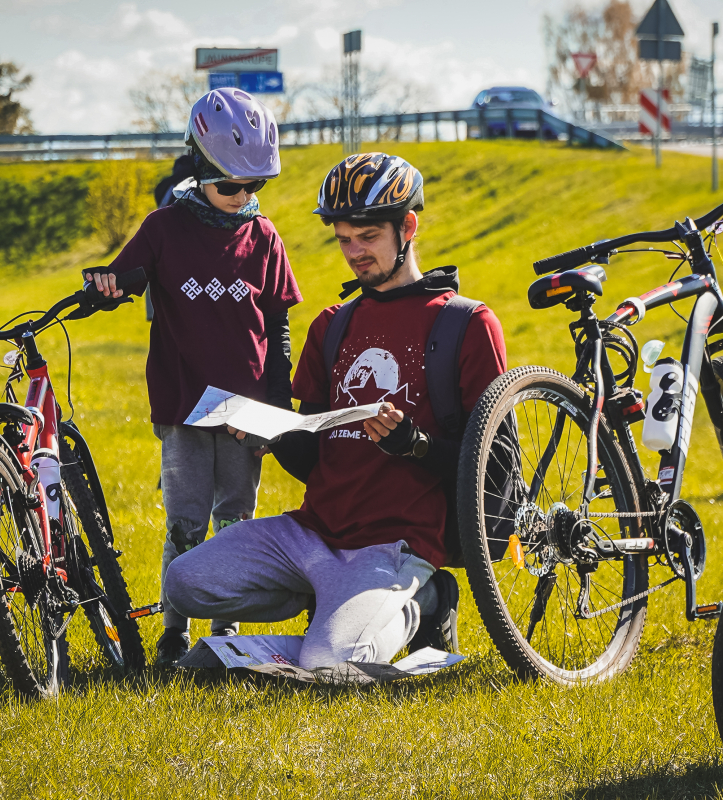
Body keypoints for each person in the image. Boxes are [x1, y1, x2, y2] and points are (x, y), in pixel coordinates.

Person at [163, 152, 508, 670]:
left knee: (335, 661)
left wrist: (412, 444)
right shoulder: (332, 325)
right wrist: (269, 432)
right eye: (343, 239)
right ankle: (334, 612)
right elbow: (316, 458)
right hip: (311, 534)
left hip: (393, 546)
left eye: (367, 238)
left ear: (407, 226)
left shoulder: (467, 324)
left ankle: (428, 598)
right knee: (185, 582)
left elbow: (496, 469)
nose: (353, 253)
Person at [85, 88, 302, 666]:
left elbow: (278, 325)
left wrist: (277, 405)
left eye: (254, 186)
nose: (243, 197)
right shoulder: (165, 229)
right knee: (185, 522)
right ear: (200, 168)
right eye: (230, 185)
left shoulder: (266, 239)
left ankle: (226, 637)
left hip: (245, 413)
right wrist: (106, 287)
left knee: (236, 522)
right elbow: (123, 279)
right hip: (184, 407)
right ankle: (175, 633)